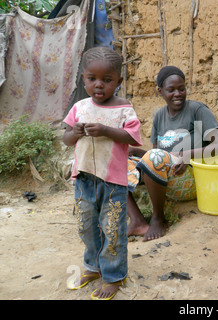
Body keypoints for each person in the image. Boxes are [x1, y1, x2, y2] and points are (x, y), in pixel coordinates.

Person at [63, 47, 142, 300]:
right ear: (83, 78)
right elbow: (66, 139)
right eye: (92, 78)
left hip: (113, 182)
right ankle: (93, 267)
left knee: (112, 228)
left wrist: (106, 130)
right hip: (84, 177)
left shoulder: (124, 109)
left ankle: (114, 276)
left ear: (118, 81)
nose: (99, 85)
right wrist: (74, 132)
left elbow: (132, 137)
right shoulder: (79, 107)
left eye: (107, 80)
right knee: (86, 226)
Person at [127, 66, 218, 241]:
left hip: (191, 178)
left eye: (181, 88)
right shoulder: (159, 116)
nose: (177, 94)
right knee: (115, 161)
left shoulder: (197, 110)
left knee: (153, 157)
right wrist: (135, 151)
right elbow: (158, 155)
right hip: (166, 177)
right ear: (160, 91)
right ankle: (137, 221)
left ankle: (159, 218)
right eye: (171, 90)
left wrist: (186, 156)